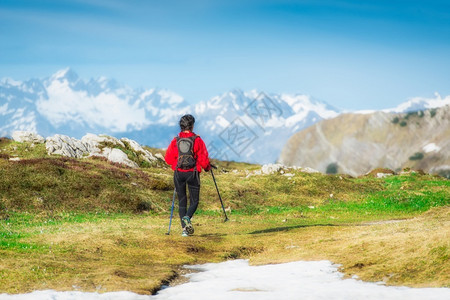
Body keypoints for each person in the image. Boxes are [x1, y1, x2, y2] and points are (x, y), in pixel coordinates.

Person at [164, 114, 211, 237]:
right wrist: (207, 168)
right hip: (193, 173)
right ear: (192, 126)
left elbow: (168, 158)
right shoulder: (198, 140)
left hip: (179, 173)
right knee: (194, 201)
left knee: (182, 202)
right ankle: (187, 217)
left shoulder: (176, 140)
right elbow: (203, 159)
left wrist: (177, 164)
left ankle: (184, 230)